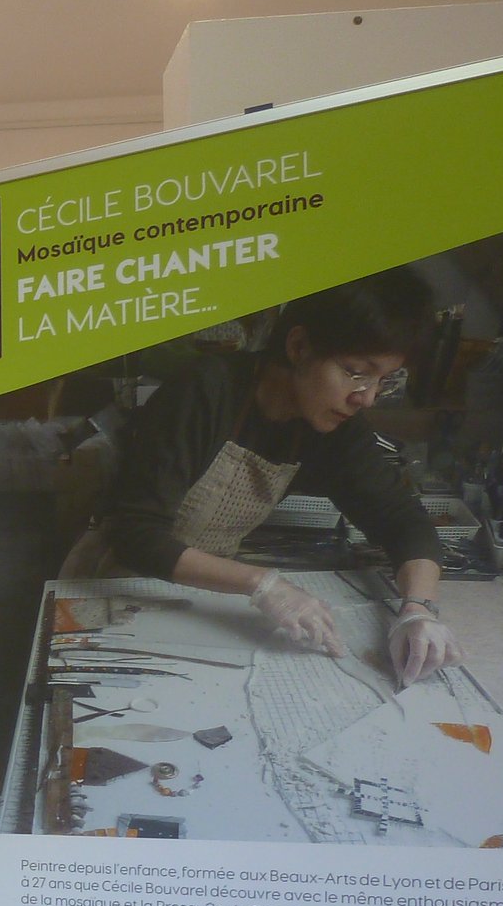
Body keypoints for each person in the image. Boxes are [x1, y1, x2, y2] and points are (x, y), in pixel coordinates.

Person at [61, 269, 464, 685]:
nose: (367, 397)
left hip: (203, 593)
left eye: (384, 380)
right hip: (119, 583)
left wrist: (418, 609)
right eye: (356, 372)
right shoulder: (205, 390)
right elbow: (137, 535)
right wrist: (264, 584)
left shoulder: (333, 427)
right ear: (298, 346)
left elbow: (403, 520)